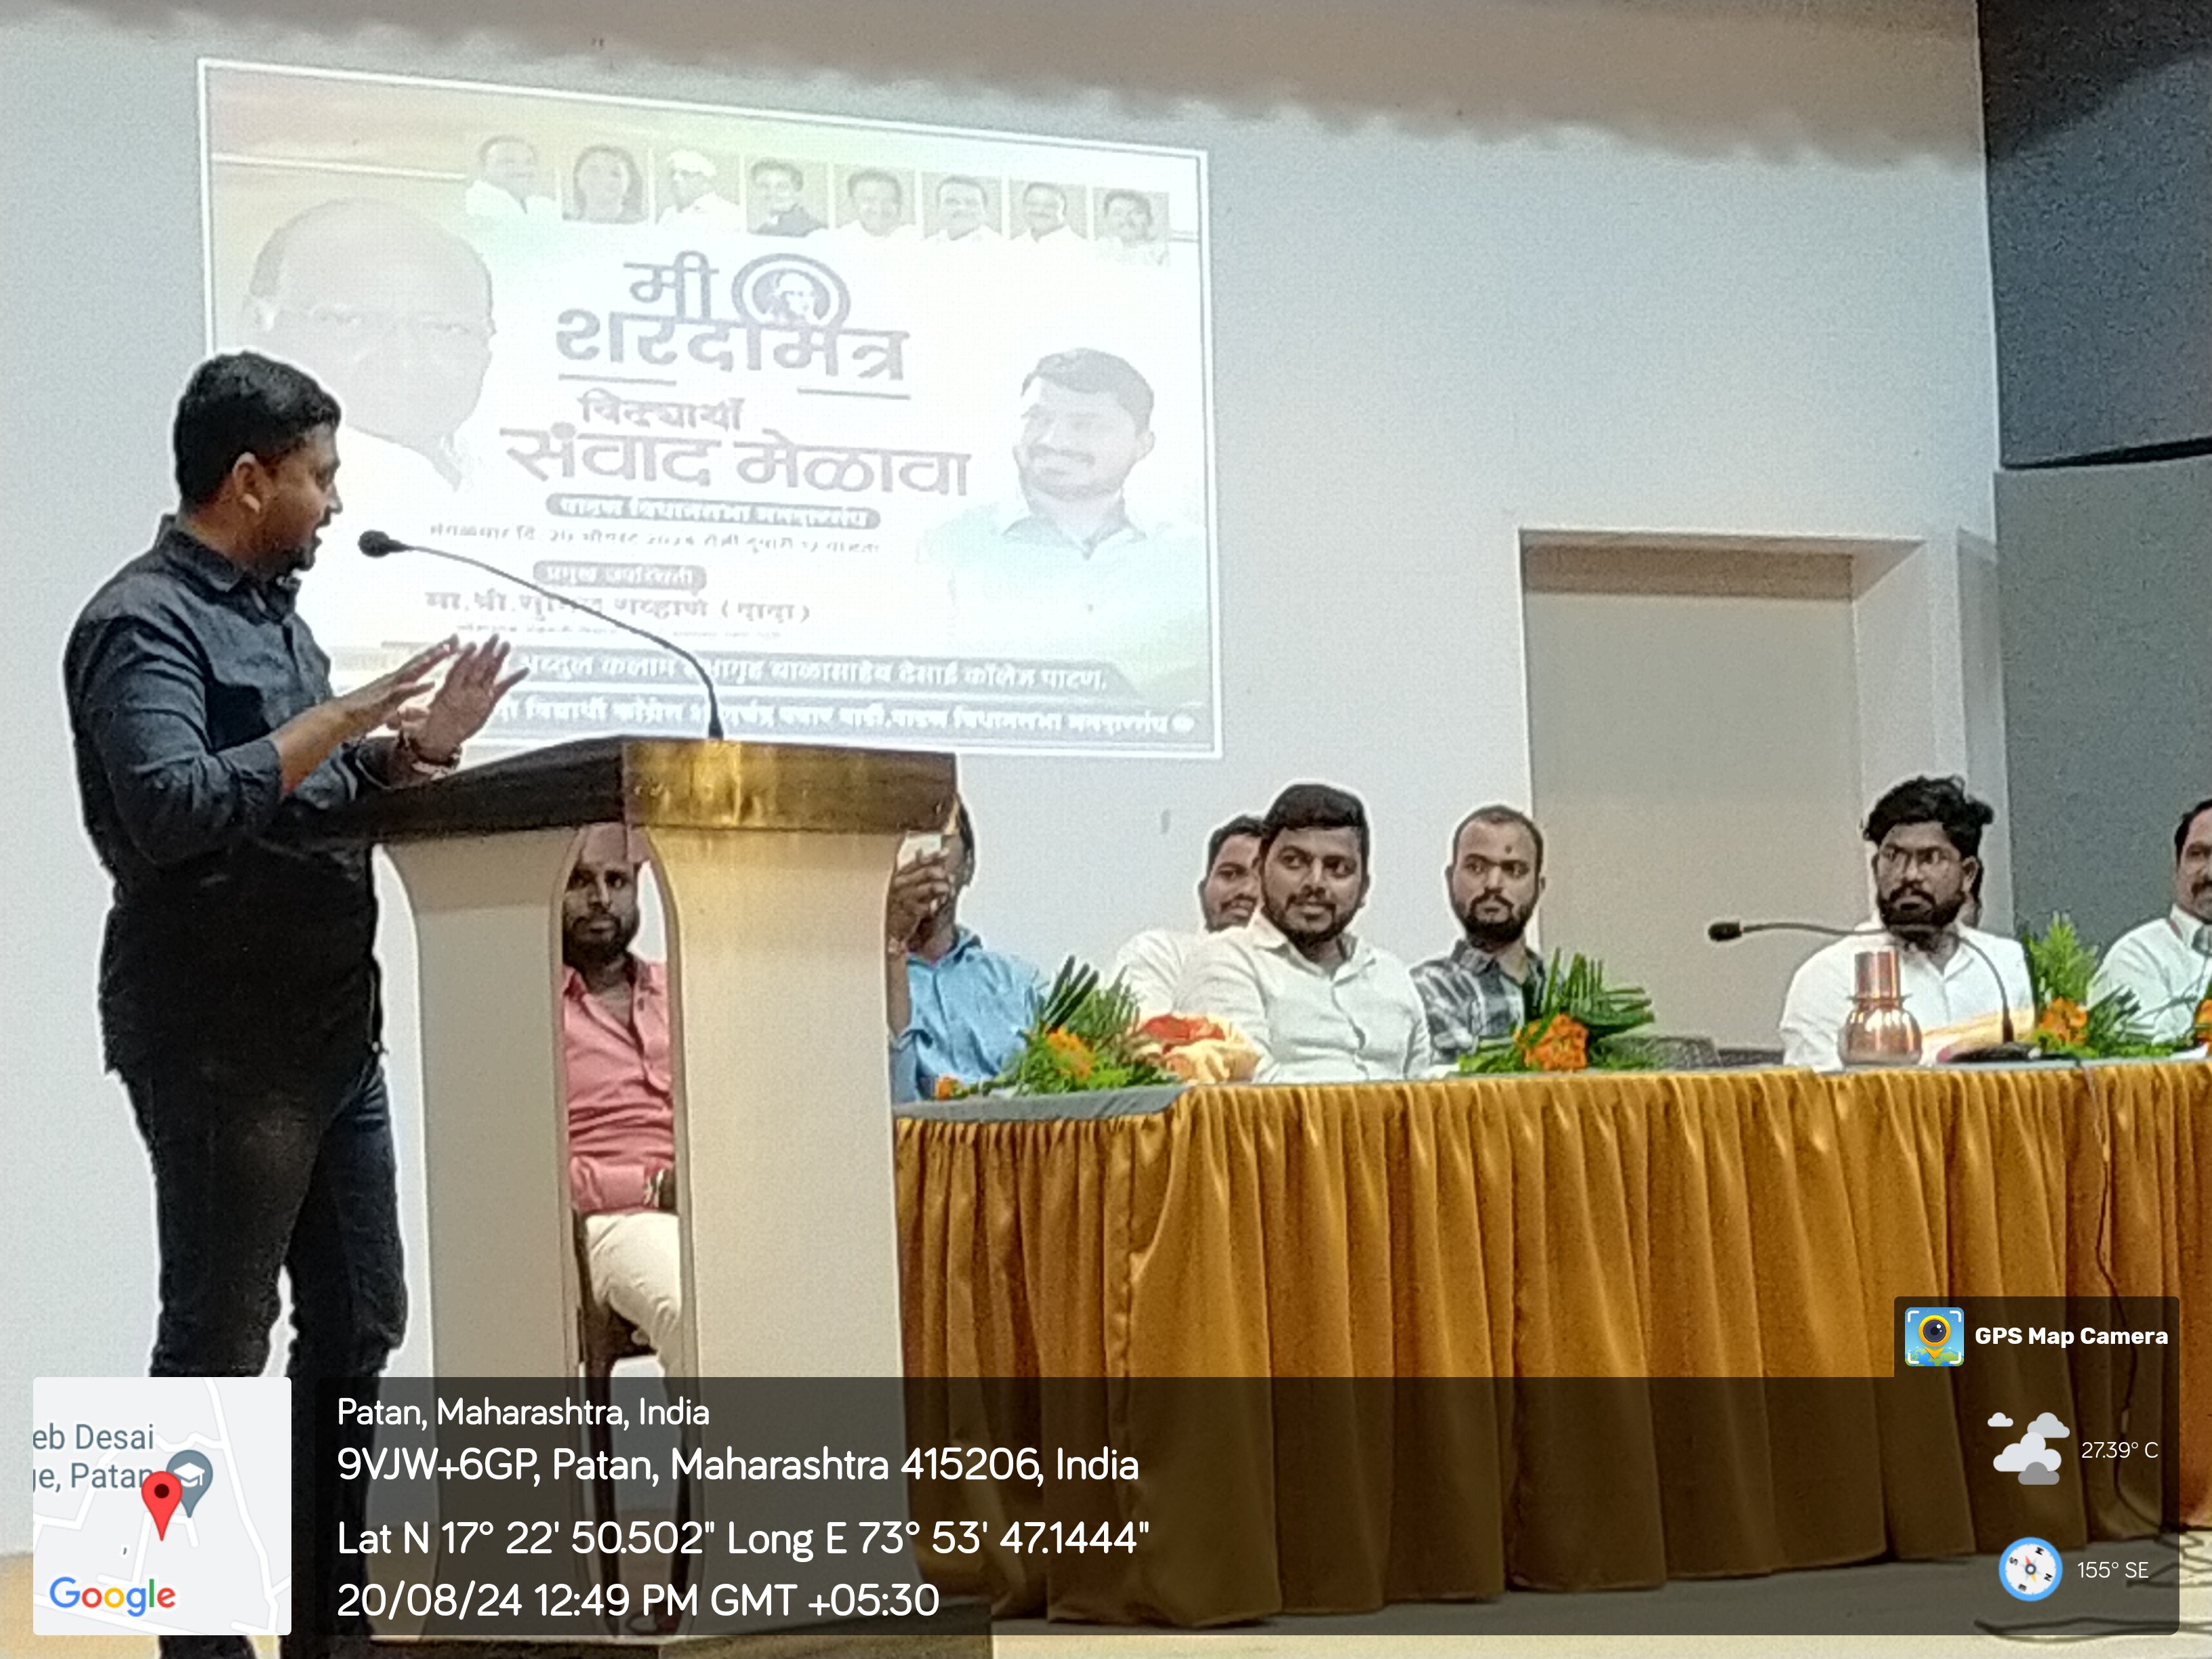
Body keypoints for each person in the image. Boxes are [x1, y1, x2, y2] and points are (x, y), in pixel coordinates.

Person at [63, 353, 524, 1659]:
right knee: (216, 1333)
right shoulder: (140, 622)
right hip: (221, 1037)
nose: (336, 499)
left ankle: (334, 1626)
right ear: (249, 477)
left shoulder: (278, 618)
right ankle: (193, 1638)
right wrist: (341, 716)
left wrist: (414, 749)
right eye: (320, 475)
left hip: (333, 1031)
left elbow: (305, 791)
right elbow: (172, 806)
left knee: (363, 1313)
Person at [918, 348, 1210, 702]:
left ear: (1143, 445)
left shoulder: (1196, 556)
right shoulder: (949, 545)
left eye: (1085, 425)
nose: (1053, 441)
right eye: (1037, 418)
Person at [1174, 785, 1432, 1082]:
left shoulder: (1391, 974)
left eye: (1338, 868)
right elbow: (1248, 1091)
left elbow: (1426, 1092)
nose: (1316, 882)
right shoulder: (1224, 961)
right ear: (1260, 870)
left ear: (1364, 887)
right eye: (1294, 862)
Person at [1779, 776, 2034, 1069]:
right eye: (1894, 857)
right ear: (1876, 867)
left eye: (1930, 858)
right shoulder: (1829, 976)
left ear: (1967, 874)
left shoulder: (2003, 963)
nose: (1909, 875)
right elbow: (1816, 1093)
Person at [244, 199, 495, 492]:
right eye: (352, 321)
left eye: (447, 329)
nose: (406, 360)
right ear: (256, 329)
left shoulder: (502, 472)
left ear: (486, 347)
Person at [560, 824, 688, 1372]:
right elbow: (531, 1173)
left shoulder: (680, 985)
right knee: (695, 1310)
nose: (601, 899)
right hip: (614, 1220)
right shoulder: (529, 1004)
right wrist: (652, 1186)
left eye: (617, 880)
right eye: (580, 881)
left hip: (711, 1206)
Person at [885, 801, 1042, 1102]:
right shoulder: (867, 987)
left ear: (968, 866)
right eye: (911, 836)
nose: (924, 856)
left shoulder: (1019, 983)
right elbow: (891, 1101)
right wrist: (893, 943)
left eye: (939, 834)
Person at [1413, 805, 1549, 1065]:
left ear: (1538, 887)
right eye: (1476, 867)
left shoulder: (1566, 992)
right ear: (1450, 879)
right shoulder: (1421, 992)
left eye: (1514, 870)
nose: (1493, 884)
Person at [1110, 814, 1264, 1017]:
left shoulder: (1299, 981)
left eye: (1264, 879)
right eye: (1230, 874)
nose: (1247, 890)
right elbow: (1144, 1032)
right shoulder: (1160, 953)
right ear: (1202, 890)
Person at [2090, 797, 2212, 1044]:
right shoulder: (2138, 958)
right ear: (2177, 868)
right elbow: (2142, 1062)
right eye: (2198, 854)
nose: (2210, 872)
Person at [464, 134, 558, 220]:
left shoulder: (545, 206)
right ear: (483, 168)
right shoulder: (470, 204)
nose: (522, 170)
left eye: (529, 163)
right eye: (509, 163)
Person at [658, 148, 745, 227]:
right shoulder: (669, 214)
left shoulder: (729, 214)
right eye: (673, 173)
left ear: (705, 180)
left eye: (685, 174)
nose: (676, 179)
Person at [835, 167, 916, 242]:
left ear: (899, 205)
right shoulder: (838, 240)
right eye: (870, 201)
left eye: (888, 201)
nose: (879, 209)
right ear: (853, 203)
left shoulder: (914, 238)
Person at [569, 144, 645, 223]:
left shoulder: (641, 226)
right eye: (594, 171)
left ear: (630, 184)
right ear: (578, 178)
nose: (603, 179)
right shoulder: (569, 223)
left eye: (615, 174)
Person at [750, 158, 823, 236]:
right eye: (764, 186)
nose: (771, 193)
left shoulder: (813, 231)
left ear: (797, 190)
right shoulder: (763, 230)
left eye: (782, 187)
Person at [1097, 188, 1168, 266]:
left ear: (1150, 219)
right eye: (1118, 214)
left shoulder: (1161, 254)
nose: (1126, 220)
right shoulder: (1099, 251)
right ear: (1106, 219)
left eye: (1136, 213)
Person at [927, 175, 1000, 245]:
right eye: (952, 202)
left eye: (971, 203)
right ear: (938, 208)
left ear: (985, 211)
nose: (962, 208)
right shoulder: (927, 245)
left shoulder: (999, 245)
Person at [1015, 181, 1082, 250]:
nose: (1039, 211)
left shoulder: (1079, 249)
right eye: (1033, 204)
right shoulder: (1014, 246)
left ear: (1064, 211)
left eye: (1049, 206)